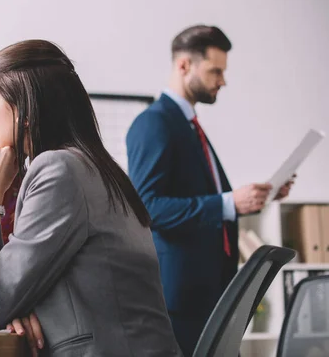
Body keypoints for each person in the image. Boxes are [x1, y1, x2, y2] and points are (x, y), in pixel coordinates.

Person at [0, 39, 182, 356]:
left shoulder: (57, 170)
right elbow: (10, 297)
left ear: (24, 109)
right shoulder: (98, 170)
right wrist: (19, 304)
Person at [125, 24, 295, 356]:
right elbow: (147, 208)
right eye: (215, 70)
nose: (223, 80)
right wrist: (230, 203)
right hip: (182, 300)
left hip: (210, 293)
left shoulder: (189, 126)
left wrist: (259, 198)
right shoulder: (154, 123)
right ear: (184, 65)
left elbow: (206, 198)